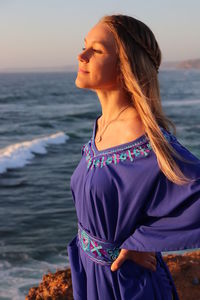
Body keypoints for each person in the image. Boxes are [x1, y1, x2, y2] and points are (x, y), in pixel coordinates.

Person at [67, 14, 200, 300]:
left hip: (126, 285)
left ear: (124, 65)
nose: (82, 55)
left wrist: (141, 241)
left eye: (97, 50)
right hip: (91, 274)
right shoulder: (103, 125)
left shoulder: (145, 141)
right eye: (84, 45)